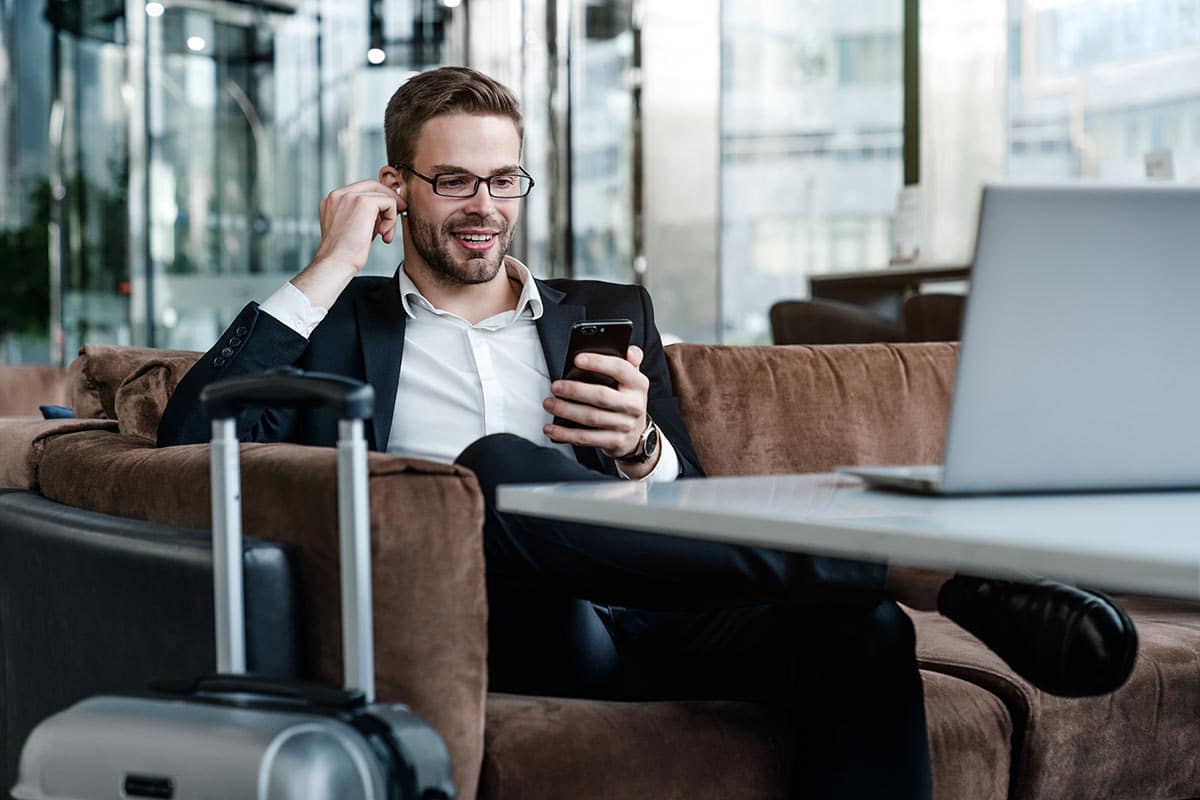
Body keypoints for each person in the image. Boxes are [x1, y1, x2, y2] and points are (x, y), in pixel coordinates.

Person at [157, 66, 1136, 799]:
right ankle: (912, 566)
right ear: (394, 187)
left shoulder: (605, 306)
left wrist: (640, 452)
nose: (485, 209)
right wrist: (329, 262)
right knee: (493, 465)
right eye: (454, 181)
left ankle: (883, 584)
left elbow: (691, 495)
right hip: (515, 629)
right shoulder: (335, 321)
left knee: (862, 631)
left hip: (661, 612)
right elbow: (186, 440)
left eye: (505, 181)